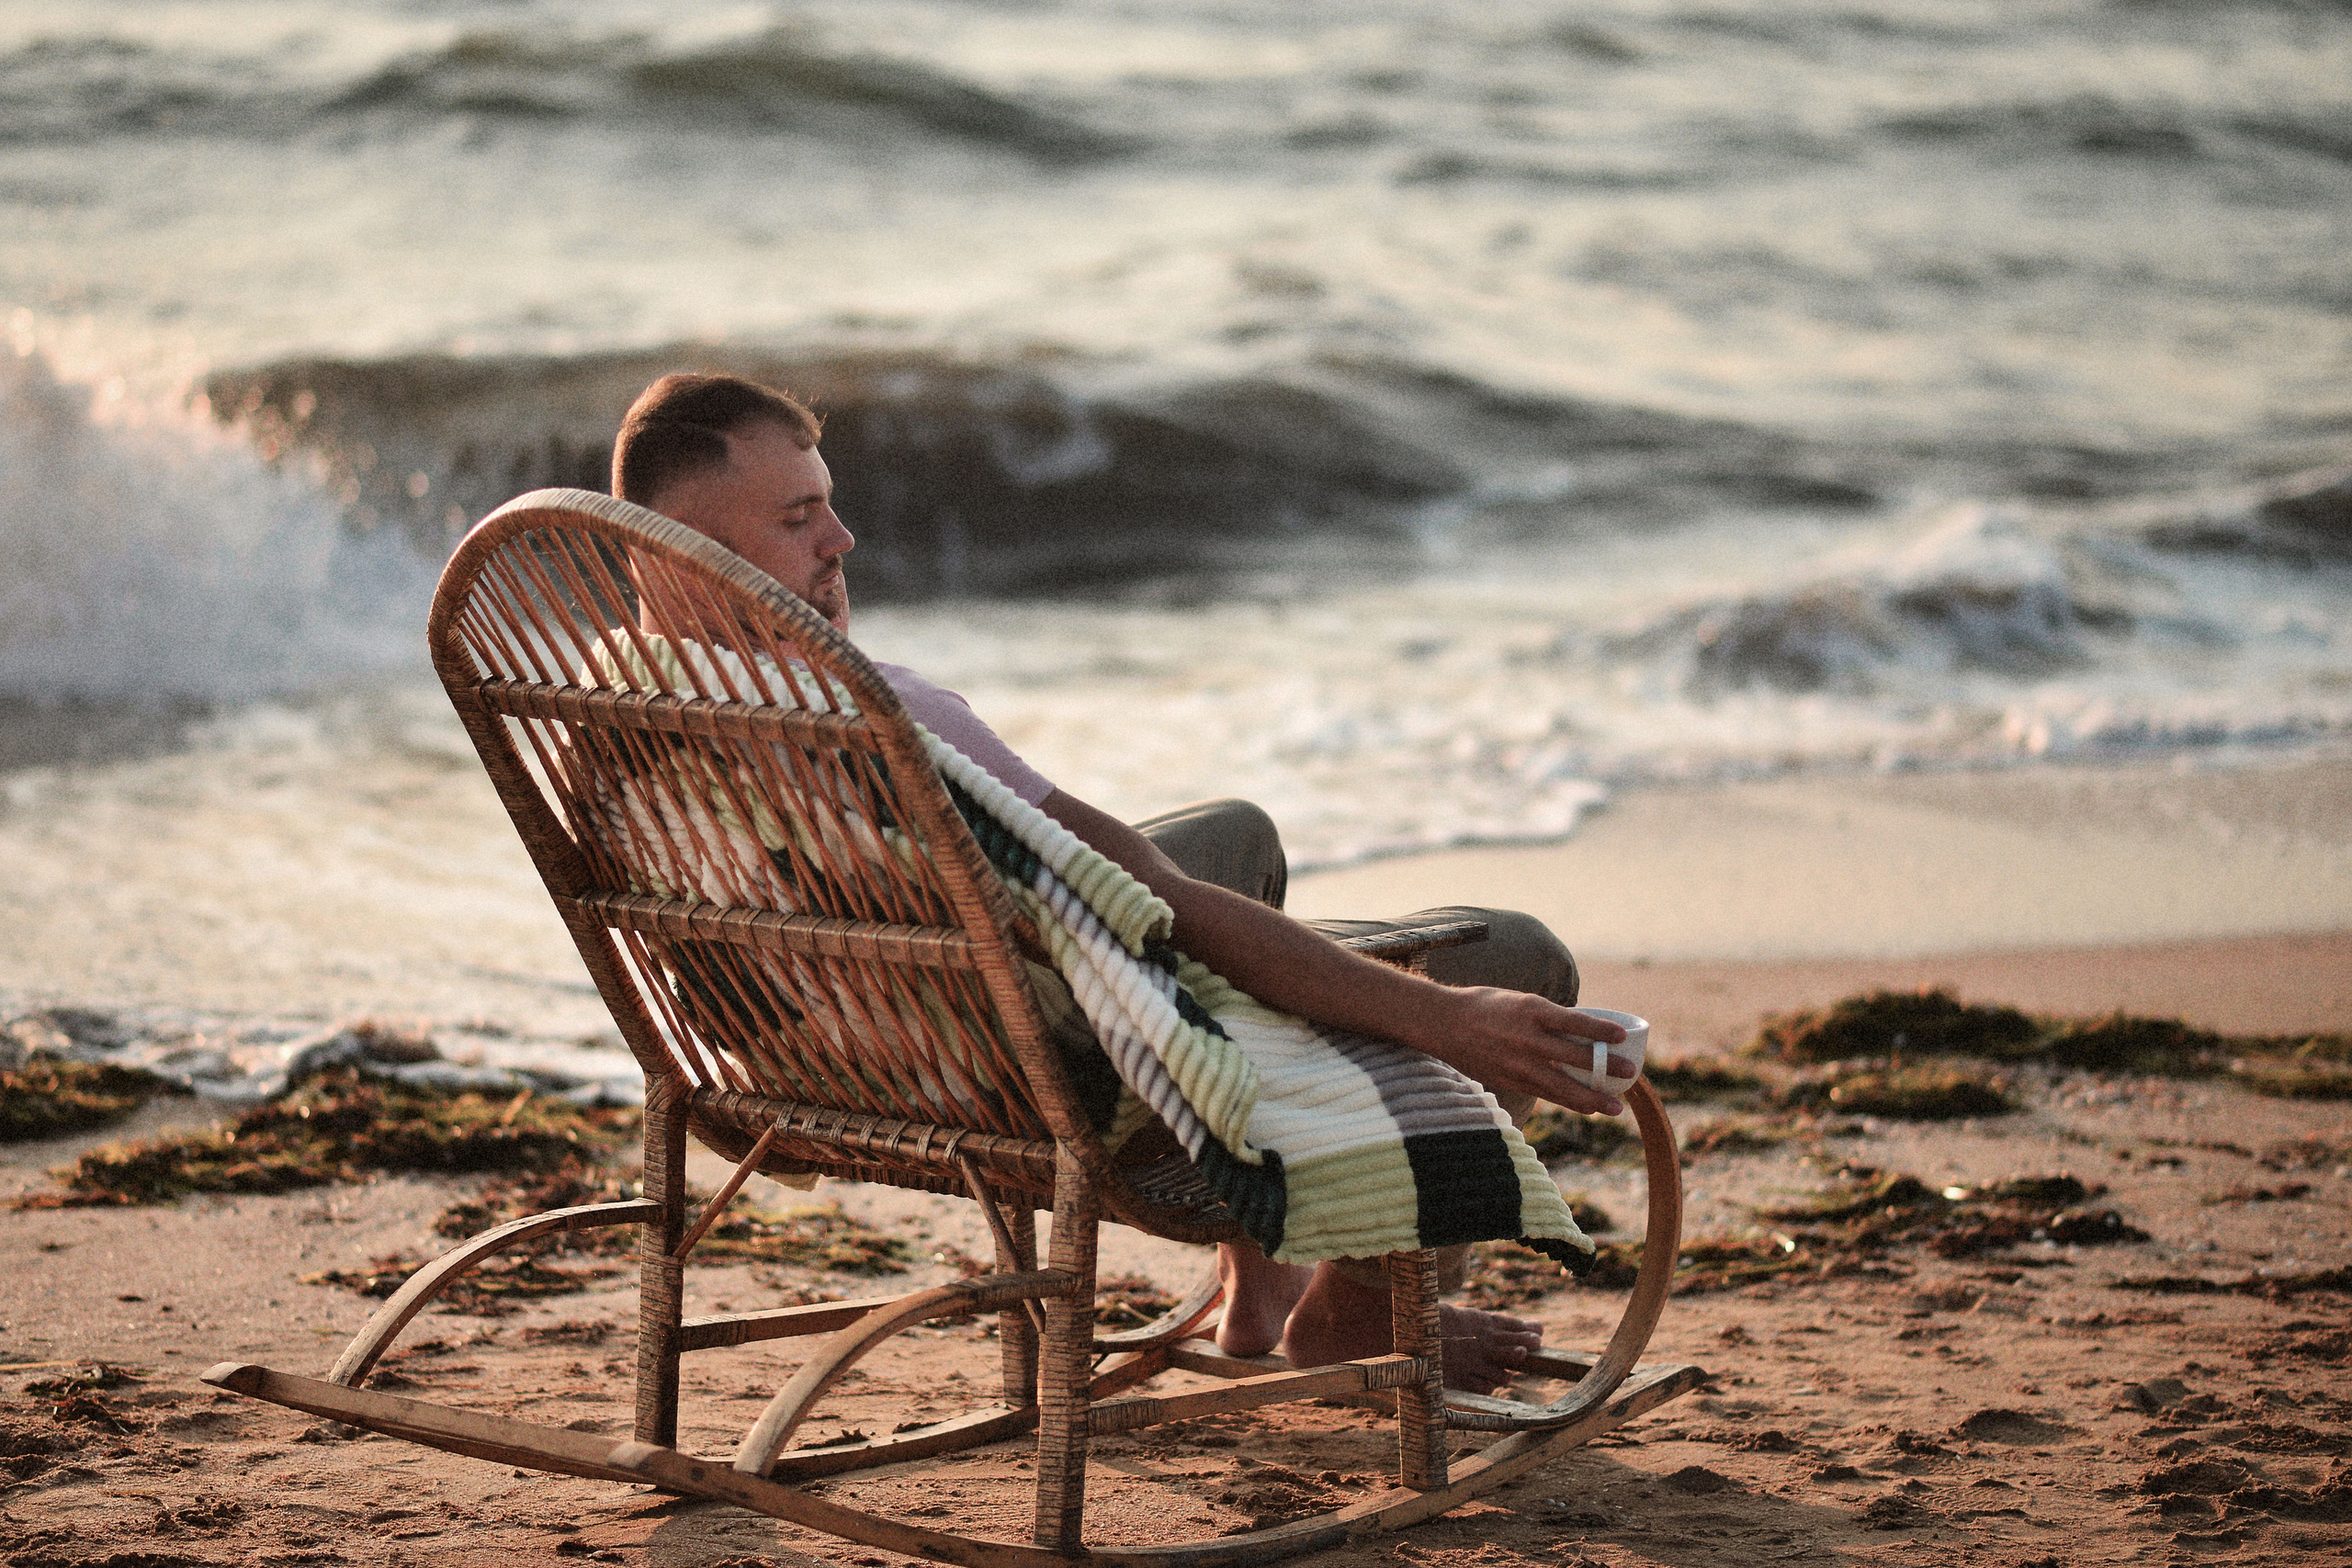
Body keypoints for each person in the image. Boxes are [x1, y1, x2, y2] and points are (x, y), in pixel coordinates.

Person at [609, 373, 1638, 1393]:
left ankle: (1261, 1283)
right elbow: (1154, 901)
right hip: (1050, 1089)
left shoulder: (617, 708)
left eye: (829, 504)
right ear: (691, 561)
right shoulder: (883, 724)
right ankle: (1354, 1318)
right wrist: (1446, 1015)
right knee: (1512, 957)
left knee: (1235, 835)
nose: (842, 541)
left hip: (818, 1066)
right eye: (800, 519)